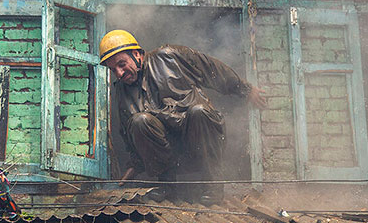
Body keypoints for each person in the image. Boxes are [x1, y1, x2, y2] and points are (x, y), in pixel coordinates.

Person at [99, 30, 267, 203]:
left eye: (122, 64)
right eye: (113, 69)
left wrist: (245, 90)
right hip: (170, 156)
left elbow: (211, 68)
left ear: (136, 54)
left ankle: (213, 187)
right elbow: (131, 134)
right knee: (139, 121)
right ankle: (168, 187)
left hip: (202, 141)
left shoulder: (168, 57)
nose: (119, 73)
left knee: (199, 111)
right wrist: (134, 165)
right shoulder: (122, 90)